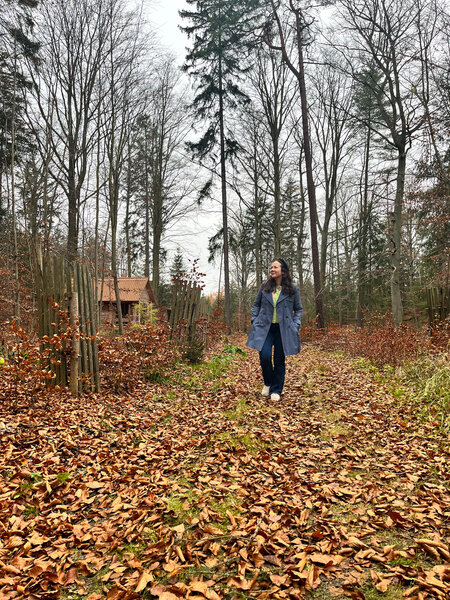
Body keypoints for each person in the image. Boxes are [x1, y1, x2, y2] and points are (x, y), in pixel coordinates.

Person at [246, 258, 302, 401]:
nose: (272, 269)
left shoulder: (292, 288)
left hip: (284, 329)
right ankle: (268, 382)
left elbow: (298, 309)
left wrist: (295, 325)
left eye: (275, 267)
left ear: (283, 271)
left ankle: (276, 390)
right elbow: (256, 305)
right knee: (264, 356)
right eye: (271, 267)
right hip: (266, 328)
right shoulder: (264, 286)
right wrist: (255, 319)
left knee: (279, 359)